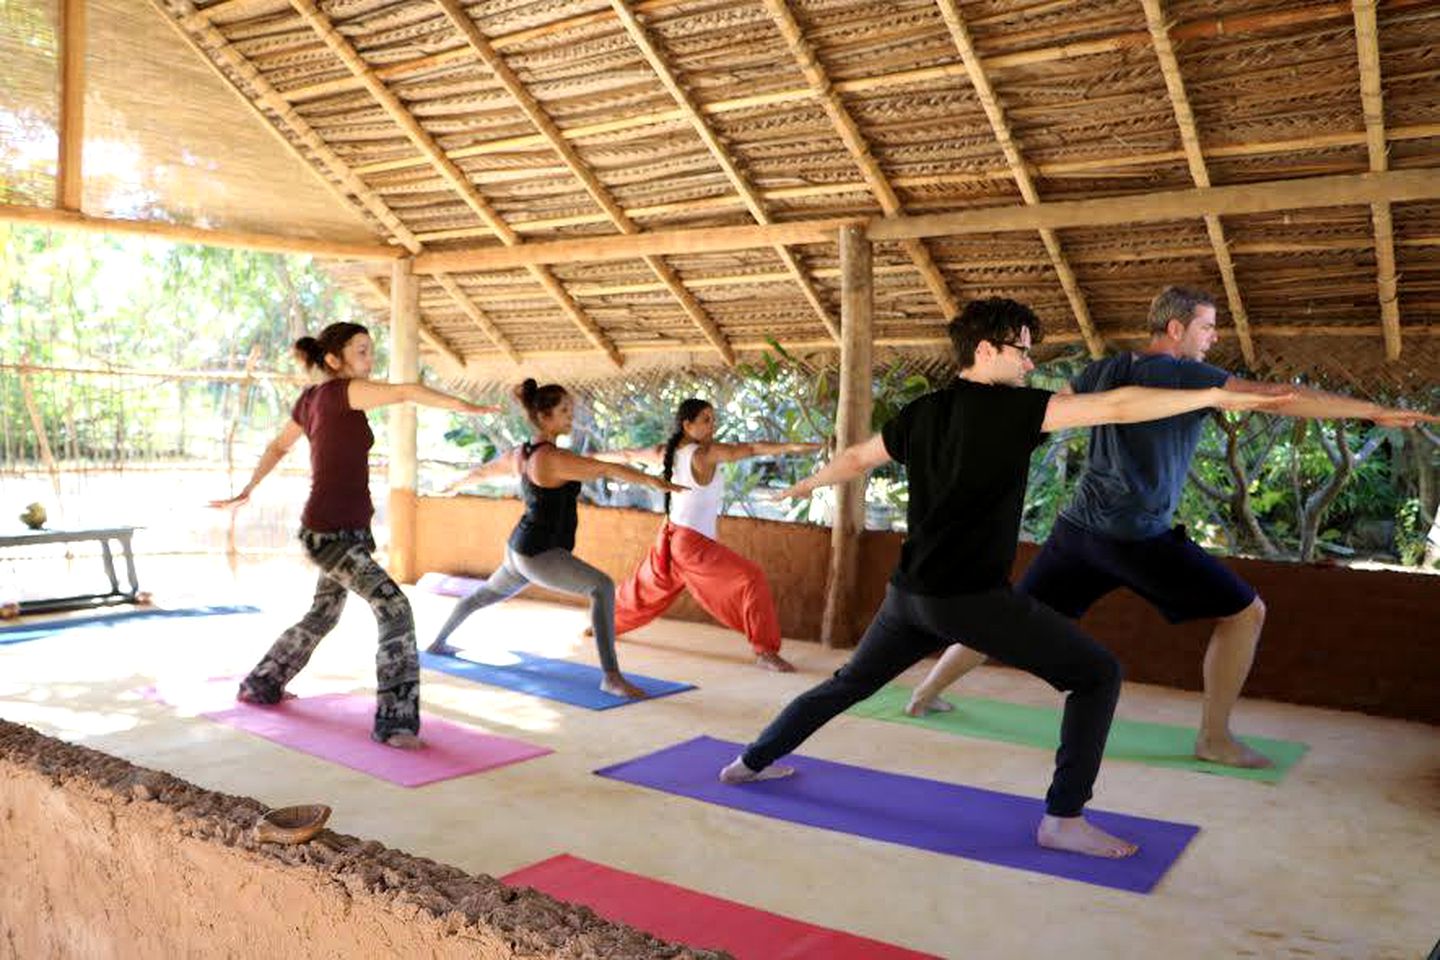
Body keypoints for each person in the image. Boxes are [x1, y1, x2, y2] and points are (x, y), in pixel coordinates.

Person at [720, 297, 1293, 858]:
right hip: (968, 602)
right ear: (988, 349)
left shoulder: (923, 412)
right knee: (1097, 676)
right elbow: (1118, 408)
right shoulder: (1019, 411)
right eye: (1022, 351)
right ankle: (1064, 820)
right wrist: (1213, 393)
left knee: (846, 684)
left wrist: (804, 486)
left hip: (908, 597)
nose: (1030, 362)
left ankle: (748, 763)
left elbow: (854, 460)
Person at [905, 286, 1438, 768]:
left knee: (1009, 614)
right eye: (1206, 327)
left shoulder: (1103, 369)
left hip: (1078, 529)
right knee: (1245, 613)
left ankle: (924, 693)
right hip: (1134, 538)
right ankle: (1214, 738)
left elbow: (1056, 406)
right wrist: (1371, 411)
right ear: (1176, 329)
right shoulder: (1183, 374)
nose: (1212, 339)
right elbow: (1275, 393)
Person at [210, 322, 498, 749]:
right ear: (334, 360)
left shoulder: (311, 400)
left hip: (345, 531)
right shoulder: (339, 392)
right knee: (394, 606)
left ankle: (262, 682)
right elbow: (405, 390)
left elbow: (277, 446)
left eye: (369, 350)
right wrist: (464, 407)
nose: (369, 359)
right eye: (361, 351)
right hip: (331, 535)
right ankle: (395, 723)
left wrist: (249, 490)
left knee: (323, 614)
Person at [426, 379, 686, 699]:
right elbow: (604, 470)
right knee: (602, 587)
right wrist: (652, 481)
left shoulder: (523, 453)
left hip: (519, 549)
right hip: (539, 553)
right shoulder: (551, 459)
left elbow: (483, 472)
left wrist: (456, 485)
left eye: (571, 410)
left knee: (483, 596)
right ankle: (612, 677)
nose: (570, 416)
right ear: (545, 417)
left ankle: (437, 643)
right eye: (564, 411)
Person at [594, 399, 822, 672]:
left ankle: (600, 625)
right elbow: (751, 449)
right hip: (689, 544)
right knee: (751, 578)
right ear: (687, 425)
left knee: (643, 590)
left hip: (671, 538)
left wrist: (590, 458)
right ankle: (765, 652)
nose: (713, 425)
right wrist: (803, 447)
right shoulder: (704, 454)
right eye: (706, 419)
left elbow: (628, 454)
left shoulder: (665, 452)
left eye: (713, 419)